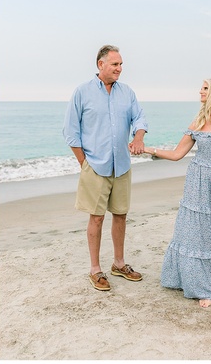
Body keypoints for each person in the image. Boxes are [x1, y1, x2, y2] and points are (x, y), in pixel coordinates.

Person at [141, 78, 211, 308]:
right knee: (197, 235)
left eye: (205, 88)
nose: (200, 91)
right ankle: (203, 287)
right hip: (198, 183)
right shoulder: (198, 122)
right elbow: (176, 154)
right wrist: (148, 149)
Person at [63, 44, 148, 292]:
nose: (119, 69)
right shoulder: (82, 93)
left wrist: (139, 137)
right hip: (95, 166)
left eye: (121, 64)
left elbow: (139, 118)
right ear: (101, 65)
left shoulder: (127, 93)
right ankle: (95, 269)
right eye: (115, 64)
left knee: (121, 214)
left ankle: (119, 264)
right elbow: (71, 132)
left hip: (121, 164)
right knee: (97, 217)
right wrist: (84, 163)